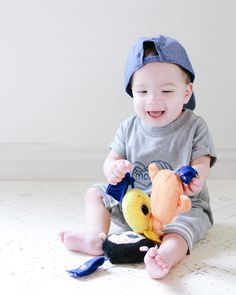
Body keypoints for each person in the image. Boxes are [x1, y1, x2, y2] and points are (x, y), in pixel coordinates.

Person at [60, 35, 217, 279]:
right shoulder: (128, 127)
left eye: (166, 90)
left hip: (180, 206)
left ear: (186, 93)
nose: (153, 99)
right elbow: (111, 160)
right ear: (131, 92)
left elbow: (202, 161)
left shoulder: (194, 127)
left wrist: (196, 176)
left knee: (180, 230)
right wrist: (114, 168)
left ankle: (164, 256)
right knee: (95, 193)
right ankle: (95, 235)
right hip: (136, 203)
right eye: (142, 91)